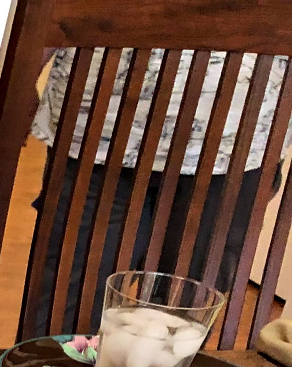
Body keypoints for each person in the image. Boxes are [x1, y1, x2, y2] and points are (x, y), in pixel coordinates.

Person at [26, 49, 290, 339]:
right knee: (64, 319)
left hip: (242, 137)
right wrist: (23, 78)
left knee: (179, 325)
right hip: (98, 122)